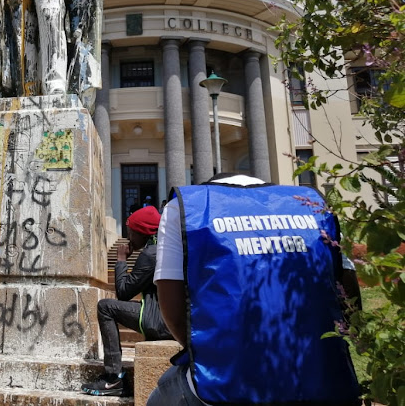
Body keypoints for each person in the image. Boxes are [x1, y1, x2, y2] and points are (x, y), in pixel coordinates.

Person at [148, 173, 361, 406]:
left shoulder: (184, 206)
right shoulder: (313, 203)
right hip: (323, 380)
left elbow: (173, 311)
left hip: (223, 384)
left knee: (161, 395)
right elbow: (349, 299)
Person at [82, 206, 172, 397]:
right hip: (173, 321)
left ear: (143, 233)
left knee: (105, 307)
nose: (129, 236)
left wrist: (121, 260)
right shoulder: (167, 247)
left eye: (131, 231)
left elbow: (123, 292)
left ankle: (113, 378)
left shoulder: (150, 254)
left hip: (159, 322)